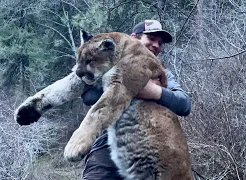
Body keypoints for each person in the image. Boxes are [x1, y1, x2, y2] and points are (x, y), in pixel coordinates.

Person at [81, 20, 191, 180]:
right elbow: (88, 96)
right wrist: (131, 87)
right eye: (151, 39)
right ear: (133, 38)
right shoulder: (111, 66)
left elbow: (184, 104)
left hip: (147, 150)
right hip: (107, 146)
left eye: (160, 43)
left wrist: (154, 92)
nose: (156, 45)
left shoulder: (163, 73)